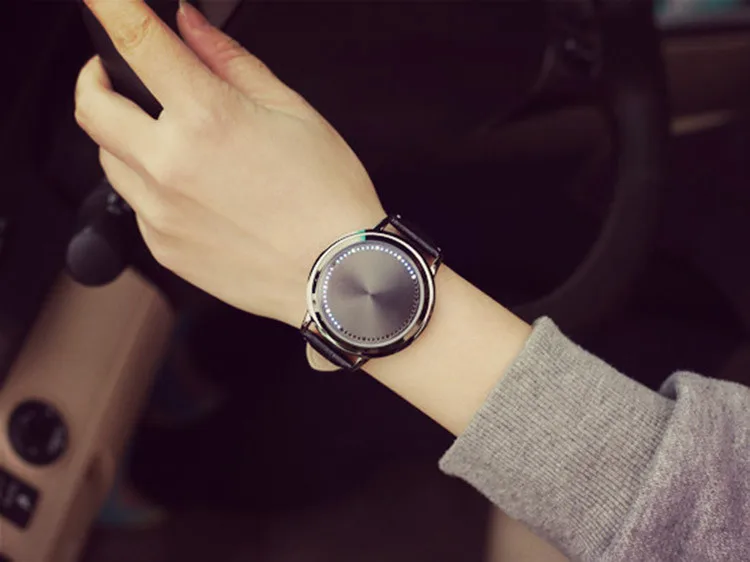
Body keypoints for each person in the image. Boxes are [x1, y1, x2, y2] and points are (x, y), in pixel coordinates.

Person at [74, 1, 750, 560]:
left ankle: (167, 473)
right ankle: (209, 361)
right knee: (494, 224)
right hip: (711, 218)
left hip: (699, 402)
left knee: (370, 407)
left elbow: (696, 520)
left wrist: (325, 254)